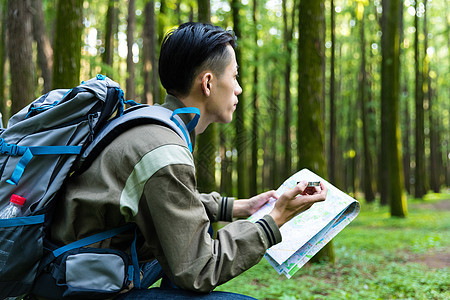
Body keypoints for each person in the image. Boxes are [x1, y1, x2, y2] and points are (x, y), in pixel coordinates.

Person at [47, 22, 328, 299]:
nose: (239, 89)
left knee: (201, 226)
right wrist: (276, 218)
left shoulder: (151, 124)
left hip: (77, 270)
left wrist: (239, 207)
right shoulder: (164, 149)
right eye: (235, 76)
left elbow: (171, 203)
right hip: (83, 289)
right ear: (208, 83)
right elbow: (200, 269)